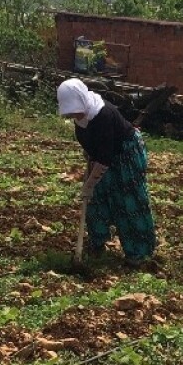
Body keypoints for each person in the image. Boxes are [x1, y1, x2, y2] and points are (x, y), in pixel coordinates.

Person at [56, 78, 156, 266]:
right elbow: (92, 150)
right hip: (103, 155)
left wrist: (89, 183)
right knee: (96, 199)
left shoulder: (103, 115)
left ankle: (139, 253)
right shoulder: (81, 118)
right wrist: (90, 178)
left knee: (127, 202)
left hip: (126, 154)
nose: (73, 115)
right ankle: (98, 243)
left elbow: (104, 158)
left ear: (82, 100)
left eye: (74, 109)